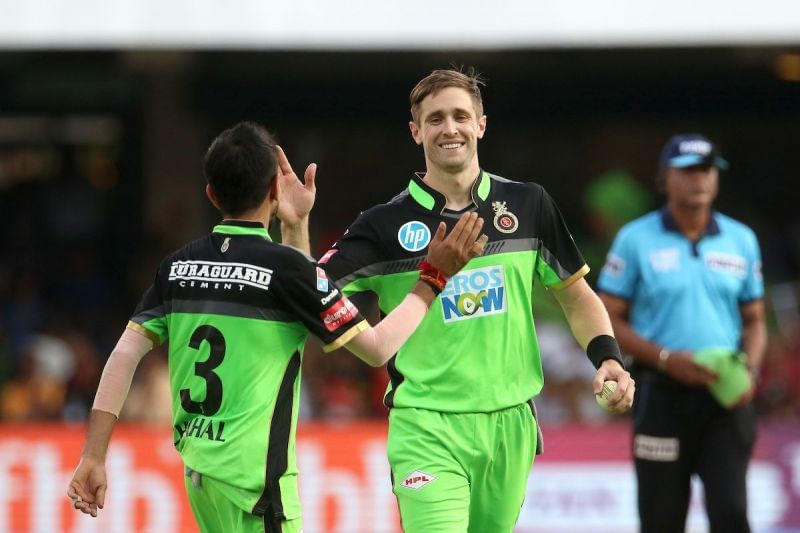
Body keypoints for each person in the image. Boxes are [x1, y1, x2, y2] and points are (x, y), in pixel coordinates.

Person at [66, 121, 488, 533]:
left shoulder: (176, 267)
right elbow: (377, 348)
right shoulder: (285, 270)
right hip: (257, 490)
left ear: (211, 194)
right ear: (273, 190)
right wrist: (433, 280)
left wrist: (94, 455)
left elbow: (124, 355)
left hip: (201, 477)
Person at [318, 68, 635, 532]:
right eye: (435, 119)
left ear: (481, 124)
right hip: (426, 425)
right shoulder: (382, 225)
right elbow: (312, 289)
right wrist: (294, 228)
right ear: (416, 131)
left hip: (510, 426)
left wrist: (607, 357)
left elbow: (575, 294)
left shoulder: (528, 205)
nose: (450, 128)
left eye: (461, 116)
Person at [597, 133, 768, 533]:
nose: (699, 180)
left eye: (707, 170)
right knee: (661, 520)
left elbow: (756, 320)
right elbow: (608, 317)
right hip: (660, 396)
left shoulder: (741, 240)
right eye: (688, 170)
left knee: (731, 513)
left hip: (724, 400)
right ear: (664, 179)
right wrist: (666, 359)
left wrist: (751, 371)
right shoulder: (635, 239)